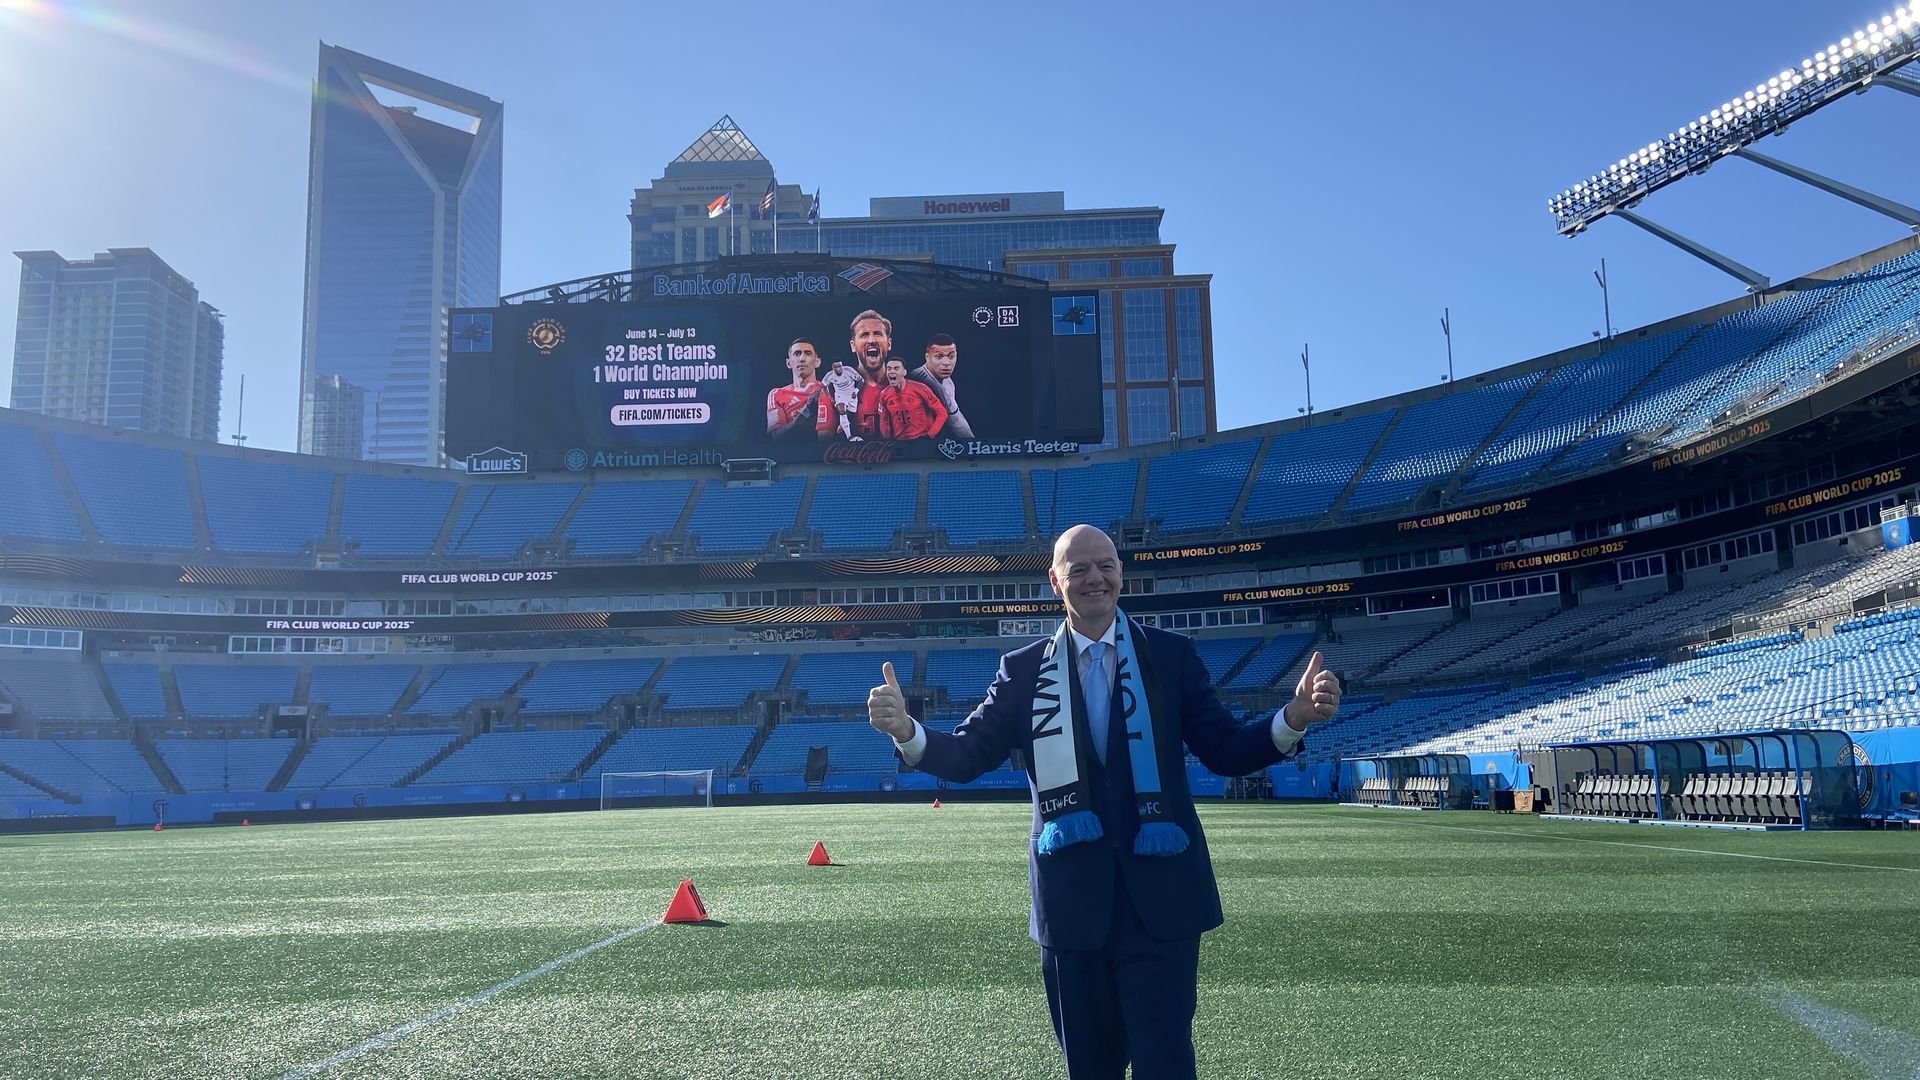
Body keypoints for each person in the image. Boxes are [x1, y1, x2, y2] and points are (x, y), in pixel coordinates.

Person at [868, 524, 1342, 1079]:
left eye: (1106, 565)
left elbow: (1224, 749)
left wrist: (1293, 720)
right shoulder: (1022, 671)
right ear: (1055, 581)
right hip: (1073, 911)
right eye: (1079, 568)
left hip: (1161, 906)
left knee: (1167, 1066)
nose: (1095, 577)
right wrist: (908, 732)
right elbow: (970, 755)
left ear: (1121, 574)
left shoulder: (1170, 656)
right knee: (1089, 1069)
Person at [765, 338, 834, 441]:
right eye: (797, 354)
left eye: (808, 353)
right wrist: (807, 412)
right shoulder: (776, 394)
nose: (802, 358)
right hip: (791, 455)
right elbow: (775, 437)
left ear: (817, 362)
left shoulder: (829, 390)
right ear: (788, 363)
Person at [908, 332, 974, 439]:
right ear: (927, 357)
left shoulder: (948, 381)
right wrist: (974, 447)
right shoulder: (918, 379)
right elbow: (956, 423)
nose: (946, 363)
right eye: (939, 356)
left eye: (951, 356)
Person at [847, 309, 896, 440]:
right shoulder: (838, 387)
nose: (872, 340)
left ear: (889, 343)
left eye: (878, 334)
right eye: (864, 335)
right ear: (853, 346)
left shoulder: (910, 386)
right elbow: (824, 442)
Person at [876, 358, 948, 441]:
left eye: (896, 368)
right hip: (900, 443)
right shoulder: (884, 395)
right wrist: (887, 441)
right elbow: (884, 421)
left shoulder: (921, 389)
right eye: (889, 369)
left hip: (922, 440)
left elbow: (942, 413)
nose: (892, 371)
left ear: (904, 372)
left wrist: (930, 435)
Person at [820, 358, 863, 441]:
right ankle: (849, 437)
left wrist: (856, 391)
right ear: (833, 367)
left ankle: (842, 424)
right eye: (836, 367)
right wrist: (830, 397)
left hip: (851, 395)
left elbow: (861, 380)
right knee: (842, 410)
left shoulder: (849, 370)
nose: (838, 369)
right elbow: (823, 385)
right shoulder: (830, 375)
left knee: (850, 417)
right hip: (840, 396)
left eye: (840, 366)